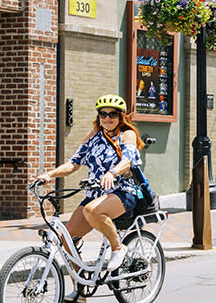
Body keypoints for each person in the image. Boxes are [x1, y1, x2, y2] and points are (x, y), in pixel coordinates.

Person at [35, 94, 146, 301]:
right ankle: (80, 290)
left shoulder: (126, 134)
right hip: (95, 194)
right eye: (103, 114)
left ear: (120, 116)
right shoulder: (94, 136)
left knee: (93, 210)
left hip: (123, 192)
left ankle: (117, 248)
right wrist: (49, 174)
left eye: (112, 114)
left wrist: (112, 173)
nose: (107, 118)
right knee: (67, 239)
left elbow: (128, 160)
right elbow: (74, 163)